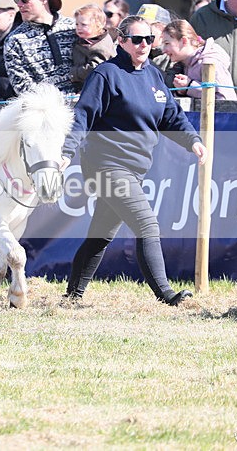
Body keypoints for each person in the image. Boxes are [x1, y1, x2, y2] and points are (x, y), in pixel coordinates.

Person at [61, 15, 208, 306]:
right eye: (137, 39)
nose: (144, 45)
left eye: (149, 40)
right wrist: (66, 152)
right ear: (121, 41)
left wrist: (193, 140)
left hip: (135, 168)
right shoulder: (106, 74)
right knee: (147, 224)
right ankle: (166, 295)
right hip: (105, 165)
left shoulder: (153, 75)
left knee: (101, 234)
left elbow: (171, 116)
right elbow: (83, 116)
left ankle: (72, 296)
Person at [4, 0, 77, 95]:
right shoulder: (14, 40)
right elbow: (22, 87)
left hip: (83, 103)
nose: (19, 4)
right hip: (43, 105)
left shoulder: (74, 28)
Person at [161, 19, 236, 100]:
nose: (164, 50)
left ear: (184, 41)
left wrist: (190, 86)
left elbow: (225, 99)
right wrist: (182, 91)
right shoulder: (183, 65)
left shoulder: (210, 62)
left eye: (167, 43)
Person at [71, 3, 116, 91]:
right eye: (77, 24)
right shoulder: (87, 39)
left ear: (98, 25)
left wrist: (73, 73)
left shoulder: (101, 46)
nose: (79, 28)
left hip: (97, 87)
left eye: (84, 24)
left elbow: (95, 68)